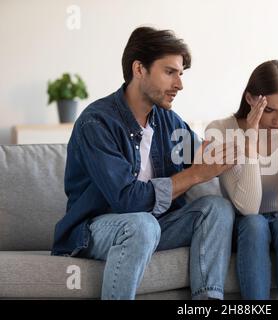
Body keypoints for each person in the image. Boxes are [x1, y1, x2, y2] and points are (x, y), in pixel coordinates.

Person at [51, 26, 237, 300]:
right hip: (97, 229)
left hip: (154, 225)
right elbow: (126, 200)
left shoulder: (169, 121)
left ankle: (208, 302)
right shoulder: (97, 123)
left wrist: (246, 139)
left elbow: (207, 158)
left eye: (181, 74)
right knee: (141, 224)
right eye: (170, 72)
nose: (180, 84)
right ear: (139, 69)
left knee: (215, 209)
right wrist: (196, 174)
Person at [205, 60, 278, 300]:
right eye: (269, 110)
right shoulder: (221, 131)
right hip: (245, 226)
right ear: (250, 99)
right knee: (256, 224)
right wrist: (249, 143)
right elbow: (248, 209)